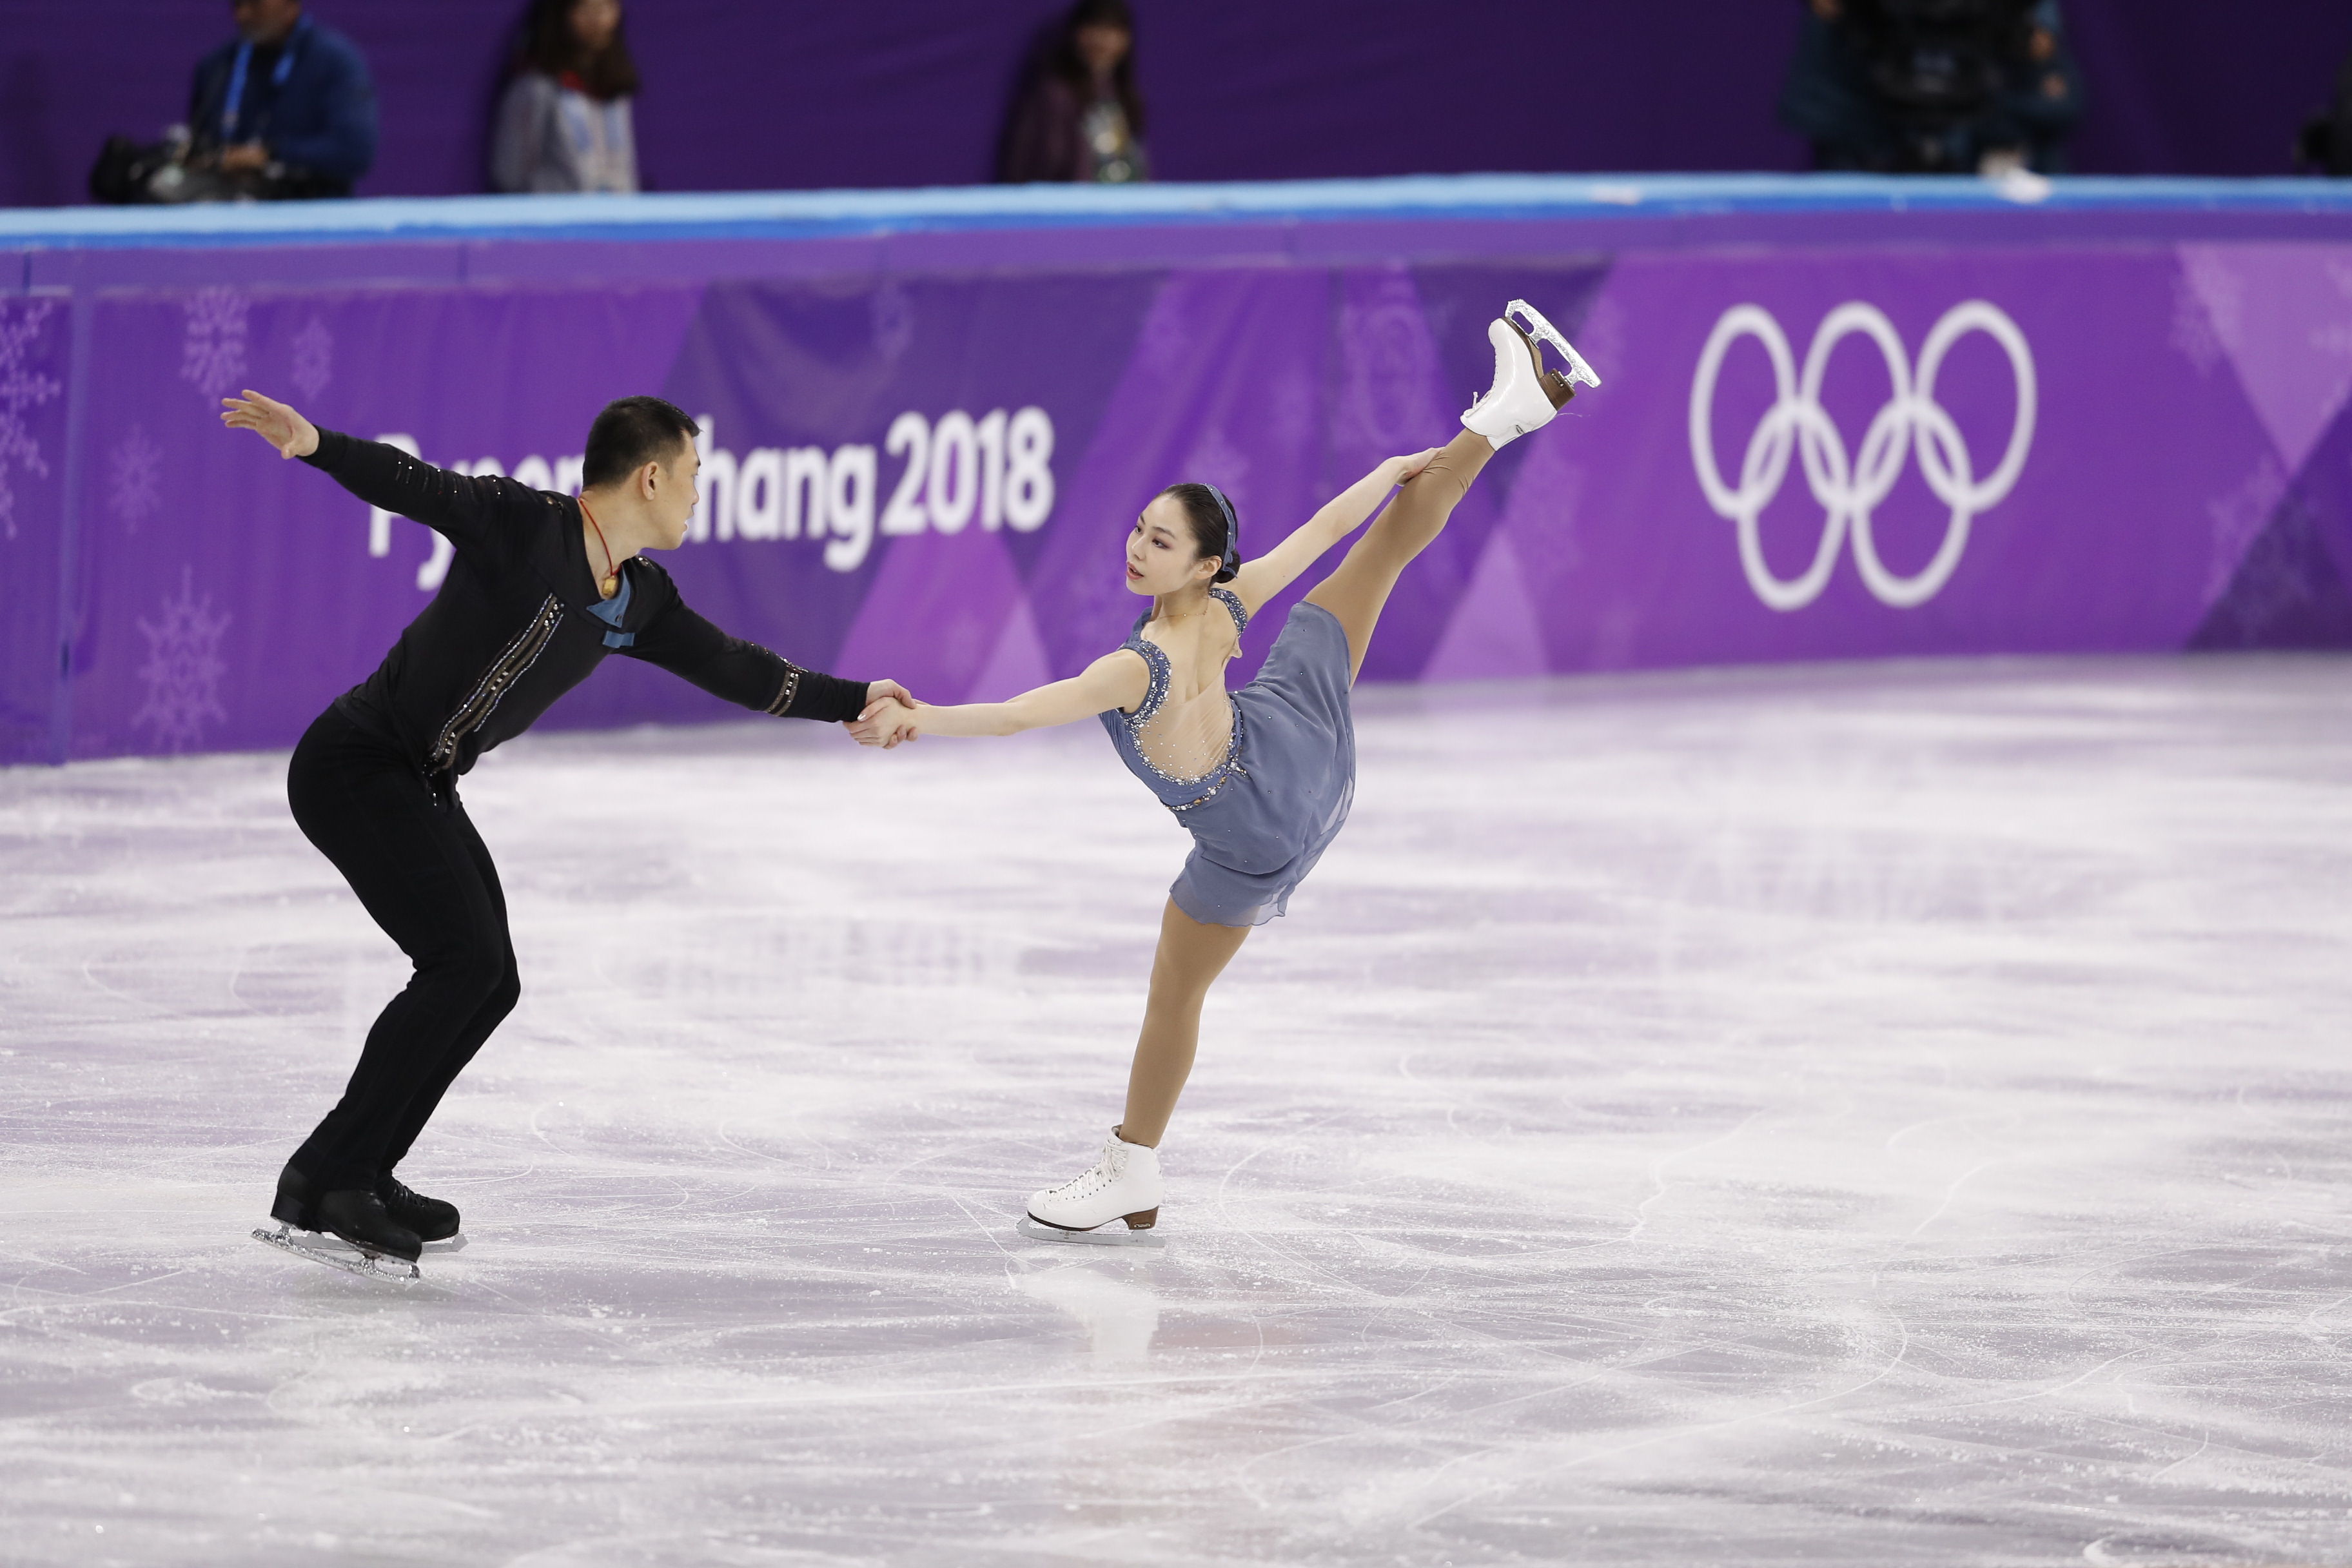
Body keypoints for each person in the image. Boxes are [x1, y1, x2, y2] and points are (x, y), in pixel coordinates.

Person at [849, 301, 1601, 1242]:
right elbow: (1328, 530)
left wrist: (917, 721)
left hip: (1254, 828)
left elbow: (1013, 717)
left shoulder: (1133, 668)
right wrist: (1388, 471)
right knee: (1381, 554)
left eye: (1159, 543)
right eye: (1138, 530)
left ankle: (1132, 1166)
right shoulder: (1231, 605)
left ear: (1202, 564)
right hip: (1305, 752)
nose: (1136, 547)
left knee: (1174, 990)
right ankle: (1506, 418)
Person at [220, 389, 908, 1275]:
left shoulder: (640, 600)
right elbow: (414, 485)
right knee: (461, 963)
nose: (699, 494)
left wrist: (854, 700)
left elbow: (739, 669)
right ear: (651, 475)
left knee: (490, 979)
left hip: (420, 780)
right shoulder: (522, 523)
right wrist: (317, 443)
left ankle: (365, 1167)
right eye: (693, 476)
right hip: (355, 765)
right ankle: (329, 1174)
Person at [1778, 0, 2082, 175]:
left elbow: (2056, 101)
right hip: (1865, 134)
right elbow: (1820, 107)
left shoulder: (2018, 18)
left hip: (1986, 137)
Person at [184, 0, 377, 197]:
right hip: (225, 204)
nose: (242, 16)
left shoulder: (335, 62)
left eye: (255, 5)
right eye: (237, 5)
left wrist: (270, 156)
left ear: (290, 6)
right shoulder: (218, 66)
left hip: (311, 204)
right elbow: (197, 147)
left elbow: (353, 152)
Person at [490, 0, 640, 195]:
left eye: (607, 8)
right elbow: (510, 173)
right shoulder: (536, 88)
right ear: (562, 15)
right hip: (555, 217)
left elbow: (626, 168)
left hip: (616, 216)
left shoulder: (616, 88)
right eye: (586, 10)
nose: (598, 20)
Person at [996, 0, 1149, 185]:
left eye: (1113, 31)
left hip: (1128, 206)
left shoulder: (1122, 94)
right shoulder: (1055, 95)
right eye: (1094, 29)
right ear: (1075, 33)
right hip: (1075, 206)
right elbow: (1038, 163)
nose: (1103, 41)